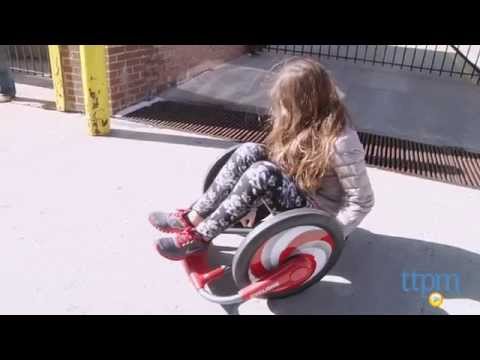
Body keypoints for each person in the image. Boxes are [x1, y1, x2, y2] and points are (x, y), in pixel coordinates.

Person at [149, 58, 375, 261]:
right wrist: (249, 202)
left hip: (316, 215)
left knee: (263, 173)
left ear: (307, 103)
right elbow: (281, 163)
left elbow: (362, 200)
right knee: (250, 150)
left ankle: (199, 239)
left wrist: (331, 232)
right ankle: (192, 218)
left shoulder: (342, 141)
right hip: (295, 190)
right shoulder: (302, 121)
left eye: (288, 103)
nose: (282, 109)